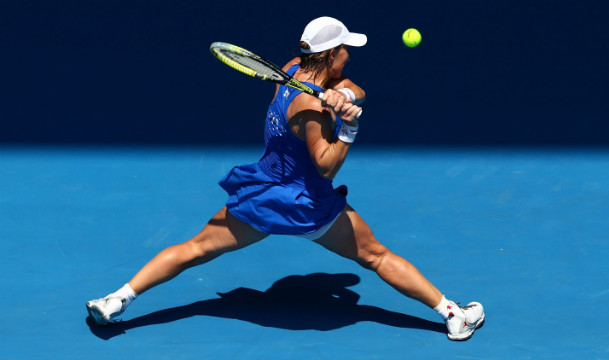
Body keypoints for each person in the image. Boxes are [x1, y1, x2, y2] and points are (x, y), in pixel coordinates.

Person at [86, 16, 484, 341]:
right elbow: (325, 165)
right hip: (305, 204)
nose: (349, 55)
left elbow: (354, 88)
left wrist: (344, 96)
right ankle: (454, 316)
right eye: (344, 50)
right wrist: (347, 129)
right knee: (376, 256)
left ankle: (115, 301)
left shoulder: (290, 70)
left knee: (194, 248)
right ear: (329, 56)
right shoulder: (309, 109)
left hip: (262, 195)